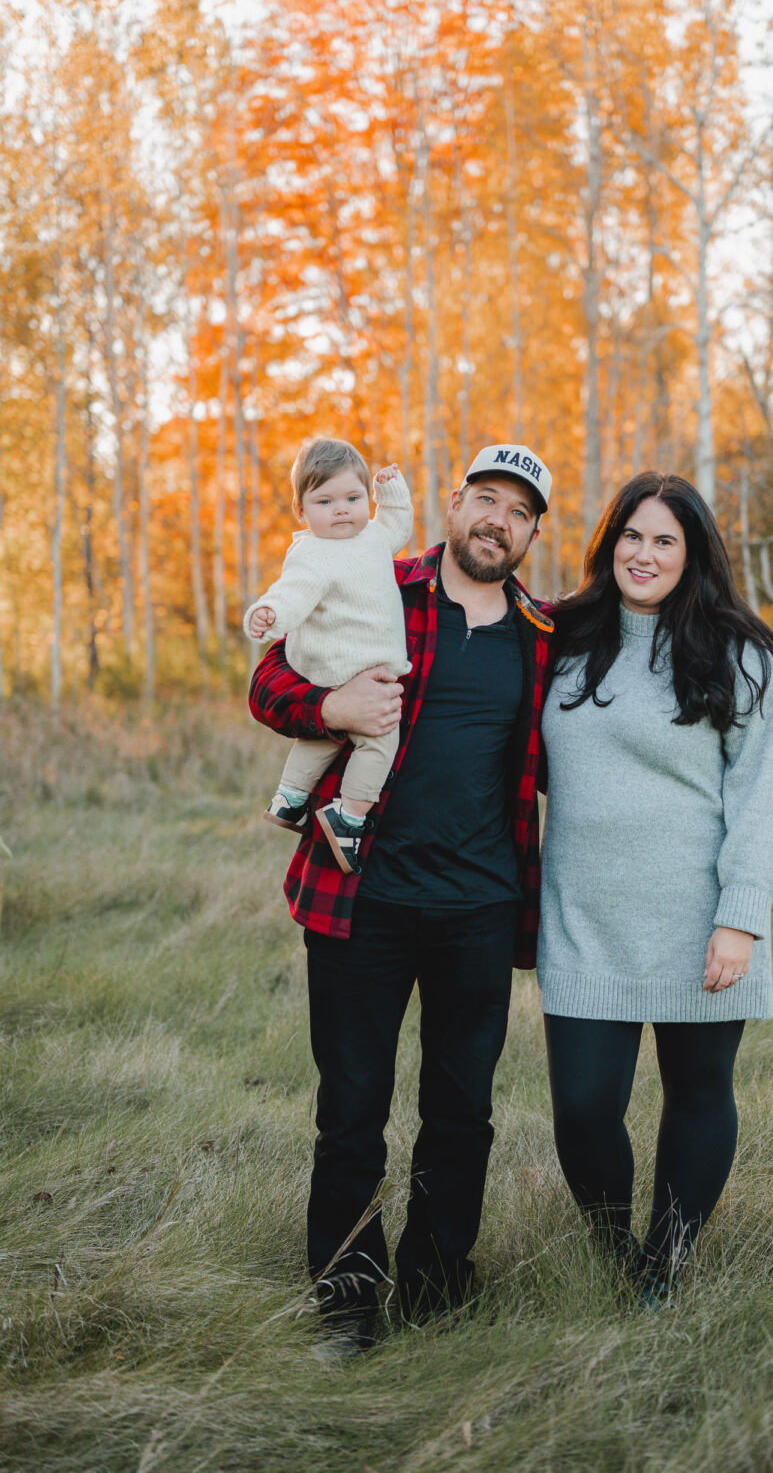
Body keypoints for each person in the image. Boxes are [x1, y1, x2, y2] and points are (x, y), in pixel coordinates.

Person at [248, 443, 555, 1353]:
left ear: (532, 531)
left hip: (478, 907)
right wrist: (331, 710)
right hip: (362, 900)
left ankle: (436, 1284)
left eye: (520, 511)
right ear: (453, 504)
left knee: (462, 1112)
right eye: (485, 499)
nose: (498, 520)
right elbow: (268, 678)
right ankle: (348, 1298)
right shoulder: (378, 578)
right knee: (351, 1111)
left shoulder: (543, 636)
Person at [536, 471, 773, 1304]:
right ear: (609, 541)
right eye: (631, 536)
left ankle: (666, 1261)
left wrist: (740, 920)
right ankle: (616, 1252)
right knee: (581, 1109)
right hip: (583, 917)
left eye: (664, 541)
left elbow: (759, 800)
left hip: (699, 921)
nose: (643, 555)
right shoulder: (559, 636)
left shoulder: (737, 653)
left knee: (697, 1094)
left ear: (694, 555)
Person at [243, 439, 413, 872]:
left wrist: (390, 492)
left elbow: (397, 524)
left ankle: (289, 798)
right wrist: (270, 614)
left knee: (319, 736)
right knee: (380, 739)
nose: (341, 510)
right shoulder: (312, 553)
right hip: (342, 668)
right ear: (301, 511)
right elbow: (292, 594)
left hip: (351, 669)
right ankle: (349, 815)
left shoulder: (372, 537)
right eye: (325, 501)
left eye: (353, 498)